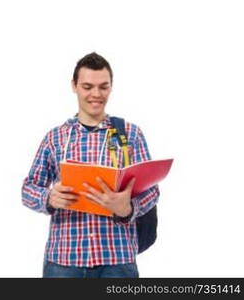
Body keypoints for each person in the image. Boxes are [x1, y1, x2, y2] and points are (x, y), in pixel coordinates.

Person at [21, 52, 160, 278]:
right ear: (74, 86)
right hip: (64, 261)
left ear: (111, 87)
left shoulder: (129, 134)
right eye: (87, 87)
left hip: (118, 260)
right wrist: (48, 198)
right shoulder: (55, 138)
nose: (96, 94)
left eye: (103, 87)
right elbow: (28, 189)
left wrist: (128, 208)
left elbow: (151, 190)